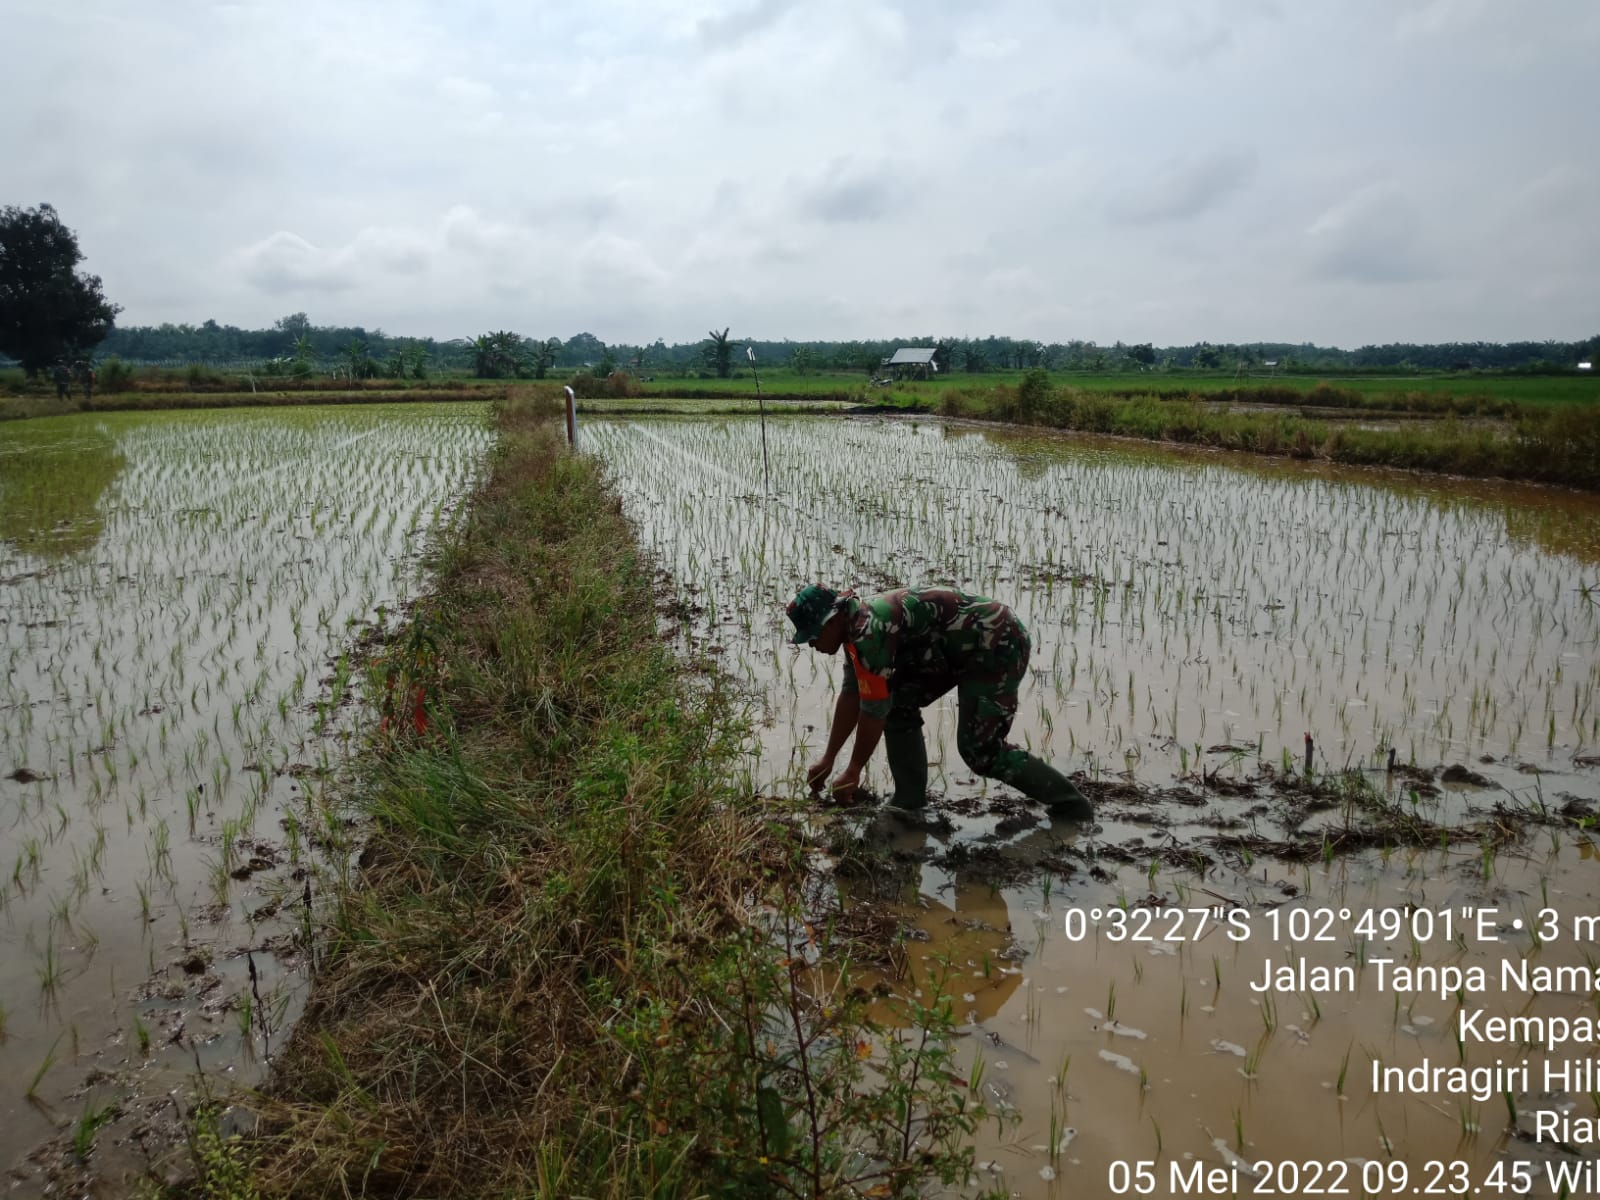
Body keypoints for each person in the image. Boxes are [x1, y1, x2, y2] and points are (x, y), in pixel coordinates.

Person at [786, 584, 1093, 821]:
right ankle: (910, 803)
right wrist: (828, 758)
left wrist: (852, 770)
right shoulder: (854, 629)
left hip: (996, 643)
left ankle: (1072, 805)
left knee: (980, 751)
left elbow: (872, 710)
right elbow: (852, 694)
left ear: (832, 621)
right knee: (899, 704)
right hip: (954, 650)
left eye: (813, 636)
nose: (812, 645)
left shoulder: (869, 632)